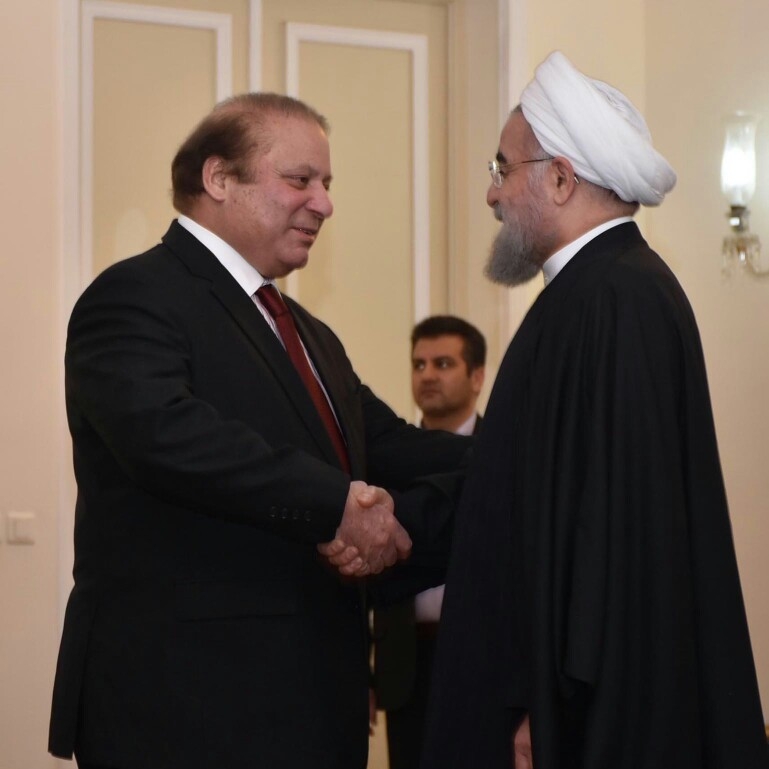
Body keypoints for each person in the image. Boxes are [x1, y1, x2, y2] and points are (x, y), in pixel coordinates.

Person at [48, 92, 469, 769]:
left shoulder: (308, 333)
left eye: (326, 184)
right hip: (184, 708)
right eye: (300, 179)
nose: (324, 203)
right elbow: (165, 435)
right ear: (219, 179)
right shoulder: (133, 295)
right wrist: (337, 506)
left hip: (307, 706)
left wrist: (521, 456)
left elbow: (386, 446)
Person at [420, 51, 769, 769]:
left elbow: (610, 527)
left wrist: (544, 706)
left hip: (581, 713)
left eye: (501, 167)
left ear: (557, 177)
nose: (491, 194)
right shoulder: (590, 293)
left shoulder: (616, 300)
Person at [373, 316, 486, 769]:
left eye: (443, 363)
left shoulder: (507, 460)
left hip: (481, 662)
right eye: (419, 365)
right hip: (407, 669)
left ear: (477, 377)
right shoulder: (389, 460)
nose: (428, 375)